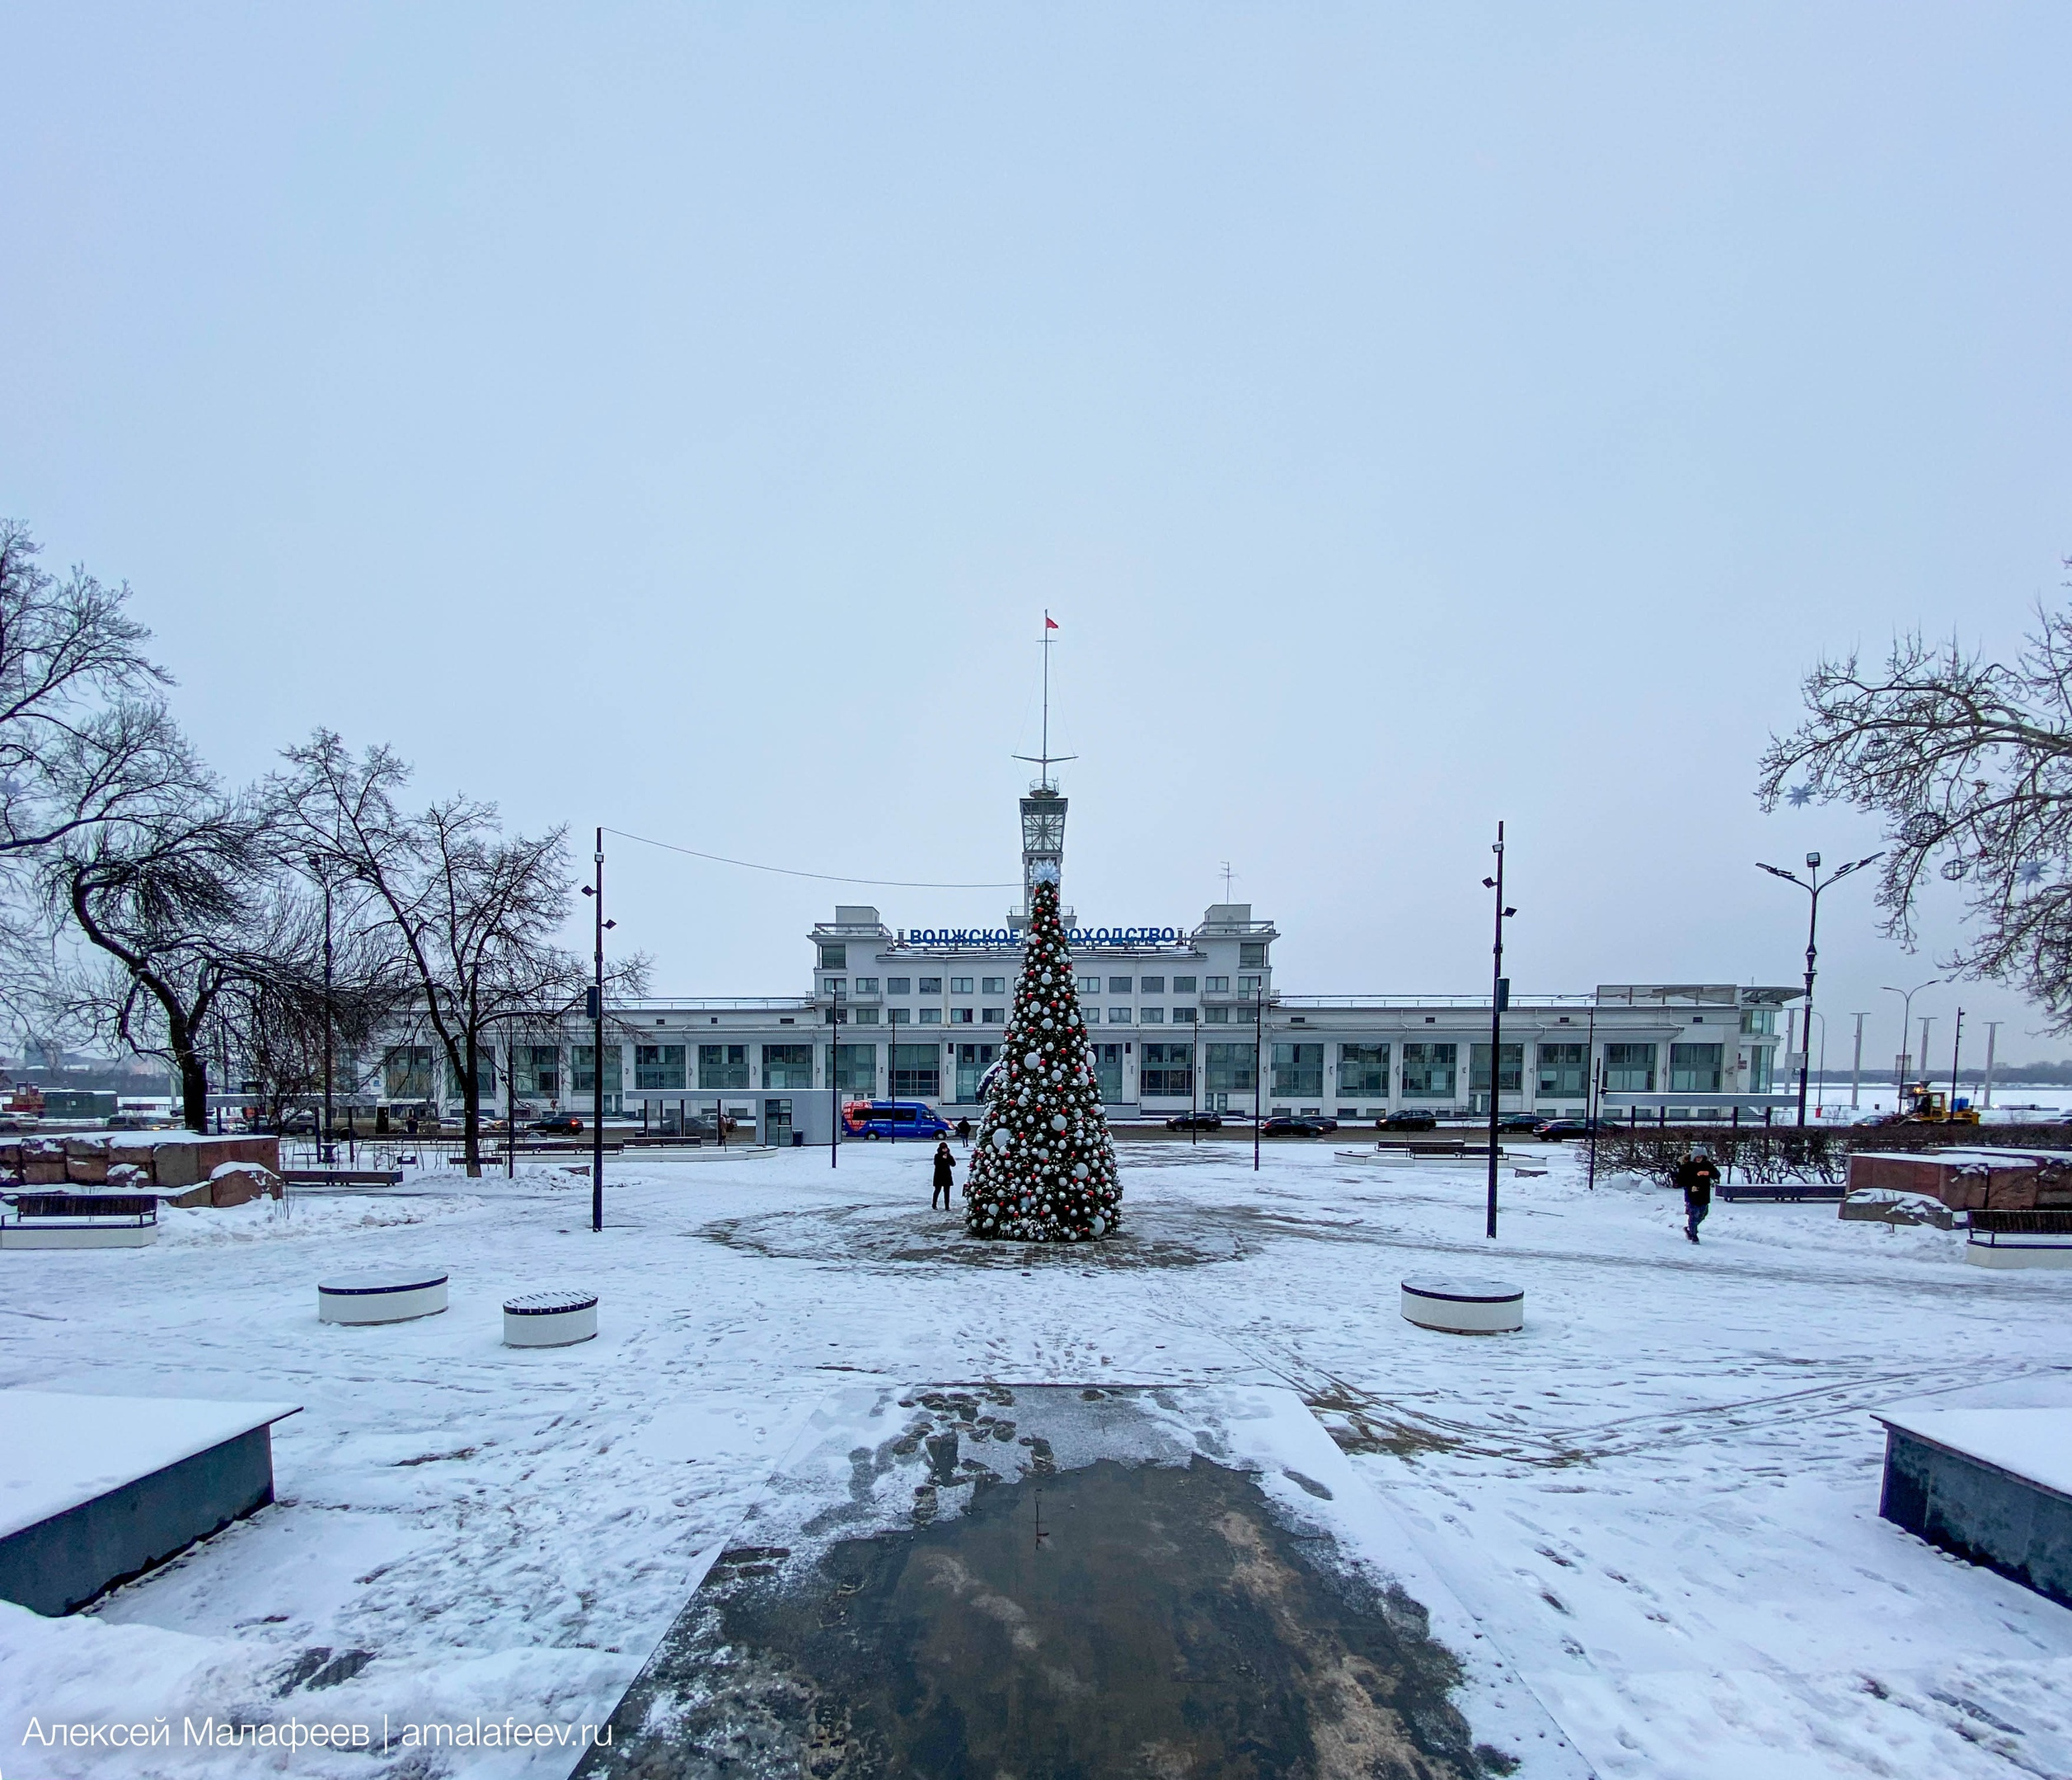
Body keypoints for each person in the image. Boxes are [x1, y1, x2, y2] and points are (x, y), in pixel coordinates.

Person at [1674, 1150, 1718, 1244]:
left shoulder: (1708, 1165)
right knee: (1694, 1215)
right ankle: (1694, 1235)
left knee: (1703, 1214)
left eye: (1701, 1157)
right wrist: (1690, 1186)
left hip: (1704, 1195)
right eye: (1697, 1157)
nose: (1699, 1159)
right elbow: (1680, 1181)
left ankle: (1690, 1230)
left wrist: (1708, 1173)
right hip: (1692, 1195)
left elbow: (1717, 1174)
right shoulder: (1687, 1167)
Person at [931, 1140, 957, 1211]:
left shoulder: (949, 1156)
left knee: (947, 1192)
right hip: (939, 1175)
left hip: (947, 1175)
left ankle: (947, 1206)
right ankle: (934, 1204)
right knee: (937, 1190)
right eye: (943, 1148)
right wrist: (943, 1159)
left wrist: (948, 1158)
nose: (945, 1150)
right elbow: (937, 1164)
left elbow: (953, 1164)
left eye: (946, 1148)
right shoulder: (937, 1156)